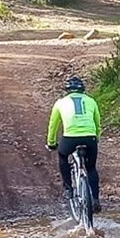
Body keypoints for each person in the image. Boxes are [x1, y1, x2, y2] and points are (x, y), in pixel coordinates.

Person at [46, 76, 102, 211]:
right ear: (82, 90)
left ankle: (68, 189)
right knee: (91, 168)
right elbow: (97, 124)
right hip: (90, 138)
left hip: (70, 138)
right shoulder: (91, 101)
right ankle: (95, 199)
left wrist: (51, 143)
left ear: (67, 90)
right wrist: (96, 138)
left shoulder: (60, 103)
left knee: (62, 155)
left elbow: (53, 126)